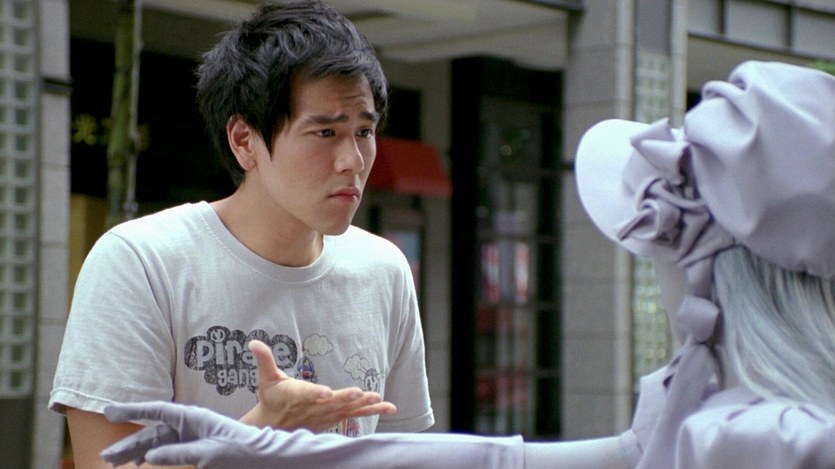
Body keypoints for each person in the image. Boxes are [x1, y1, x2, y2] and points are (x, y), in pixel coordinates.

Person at [100, 60, 835, 468]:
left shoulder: (761, 437)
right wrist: (272, 445)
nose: (351, 159)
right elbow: (506, 462)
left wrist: (270, 447)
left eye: (663, 241)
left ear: (716, 271)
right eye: (324, 131)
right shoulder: (722, 406)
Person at [50, 1, 435, 467]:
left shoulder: (383, 270)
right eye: (326, 133)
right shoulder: (142, 262)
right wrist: (260, 430)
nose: (352, 160)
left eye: (364, 131)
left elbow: (404, 457)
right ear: (244, 140)